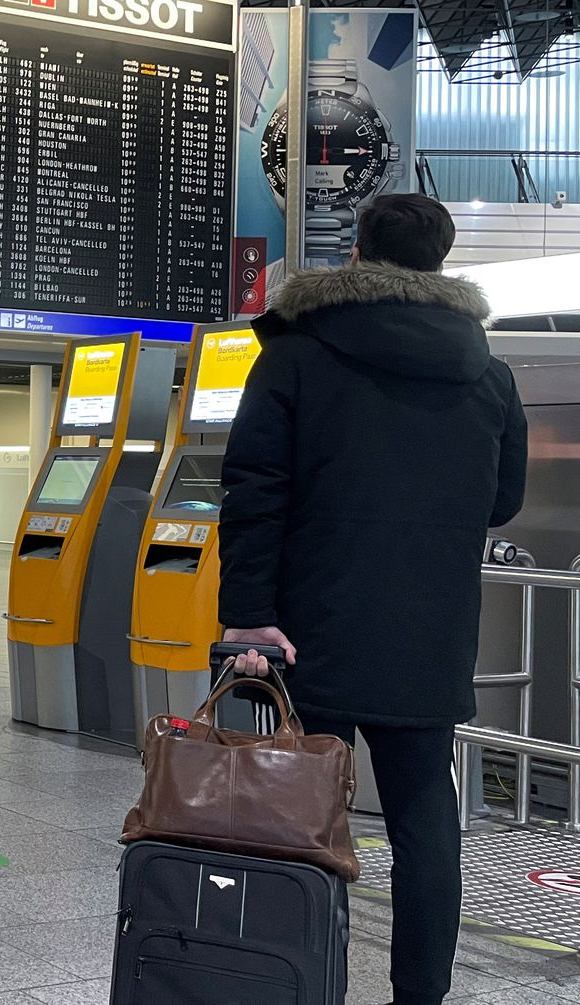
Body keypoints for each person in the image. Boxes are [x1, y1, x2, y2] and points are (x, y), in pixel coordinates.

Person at [218, 193, 527, 1005]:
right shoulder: (488, 372)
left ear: (356, 251)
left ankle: (302, 977)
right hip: (430, 626)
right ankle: (420, 994)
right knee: (425, 810)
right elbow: (502, 501)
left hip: (310, 623)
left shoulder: (294, 352)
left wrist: (247, 610)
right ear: (441, 261)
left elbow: (253, 488)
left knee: (304, 807)